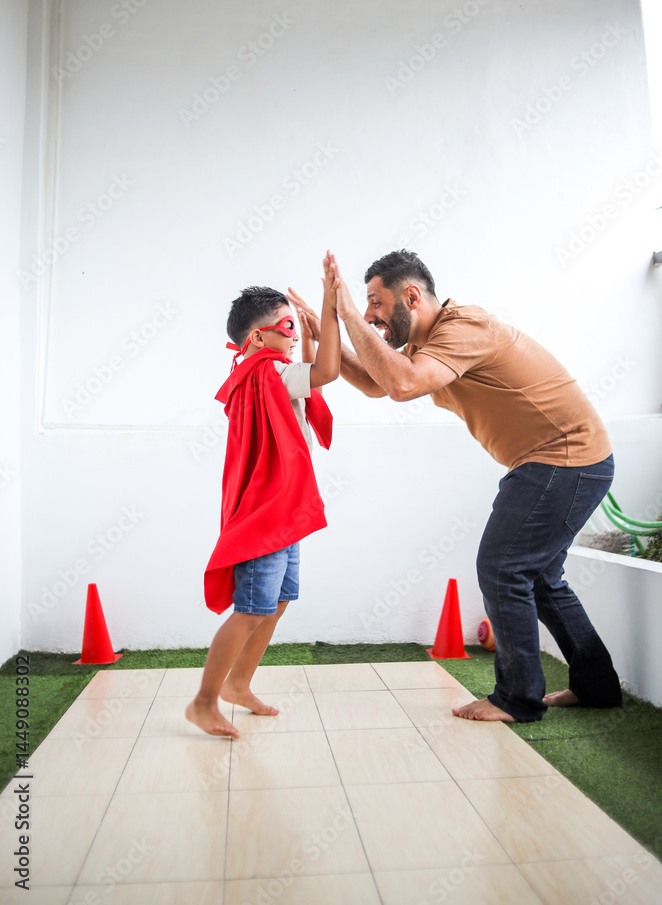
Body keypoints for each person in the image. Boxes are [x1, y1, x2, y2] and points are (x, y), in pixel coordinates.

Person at [289, 249, 622, 723]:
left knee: (503, 568)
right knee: (542, 580)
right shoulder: (426, 345)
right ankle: (597, 686)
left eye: (375, 304)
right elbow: (376, 381)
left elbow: (402, 384)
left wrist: (343, 314)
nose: (368, 315)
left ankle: (518, 698)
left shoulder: (464, 328)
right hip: (563, 462)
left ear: (411, 296)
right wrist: (328, 334)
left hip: (566, 458)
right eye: (363, 305)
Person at [186, 254, 341, 737]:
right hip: (268, 513)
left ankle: (238, 684)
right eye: (287, 325)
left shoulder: (264, 374)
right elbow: (328, 372)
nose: (294, 333)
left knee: (278, 599)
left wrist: (310, 329)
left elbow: (312, 366)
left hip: (282, 510)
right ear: (256, 337)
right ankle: (203, 702)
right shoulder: (269, 374)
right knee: (253, 606)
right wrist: (330, 308)